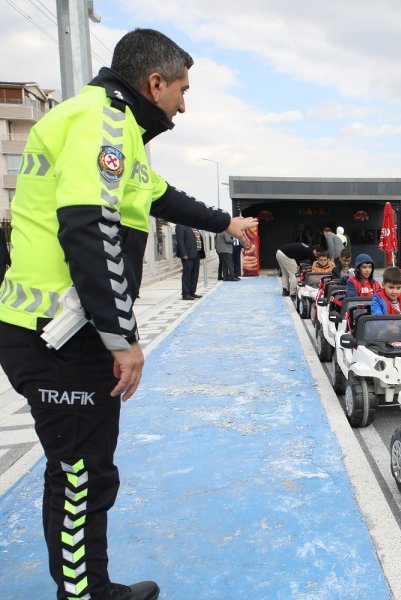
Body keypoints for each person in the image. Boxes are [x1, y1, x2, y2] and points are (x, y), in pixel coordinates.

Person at [0, 28, 257, 600]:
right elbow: (90, 230)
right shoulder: (104, 123)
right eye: (181, 91)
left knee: (86, 468)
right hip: (61, 334)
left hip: (63, 331)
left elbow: (161, 195)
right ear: (154, 82)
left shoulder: (116, 133)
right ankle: (84, 595)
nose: (183, 106)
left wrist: (226, 223)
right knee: (78, 475)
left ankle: (91, 586)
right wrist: (122, 338)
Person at [175, 225, 203, 300]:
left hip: (196, 253)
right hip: (187, 254)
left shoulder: (193, 225)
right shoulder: (180, 225)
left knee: (195, 274)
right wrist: (183, 253)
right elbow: (180, 240)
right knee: (187, 274)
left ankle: (192, 292)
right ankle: (185, 294)